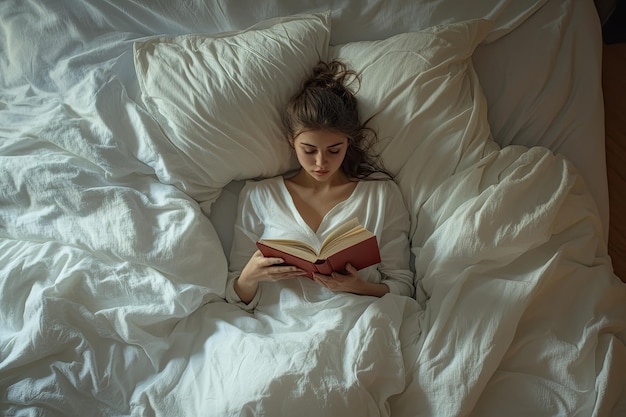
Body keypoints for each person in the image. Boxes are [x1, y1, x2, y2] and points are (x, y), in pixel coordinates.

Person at [225, 60, 414, 310]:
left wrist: (360, 287)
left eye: (334, 150)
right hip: (281, 328)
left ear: (349, 142)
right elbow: (235, 297)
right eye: (309, 150)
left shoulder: (381, 195)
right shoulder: (260, 196)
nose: (321, 162)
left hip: (358, 319)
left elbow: (402, 285)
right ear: (292, 141)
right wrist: (250, 276)